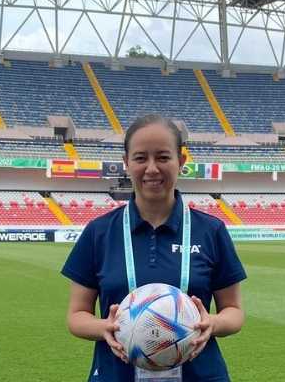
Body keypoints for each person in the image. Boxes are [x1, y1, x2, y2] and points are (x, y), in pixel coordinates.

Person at [62, 114, 247, 381]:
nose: (152, 168)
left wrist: (213, 323)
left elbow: (235, 312)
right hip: (116, 374)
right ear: (126, 163)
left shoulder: (211, 230)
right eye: (140, 158)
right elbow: (76, 316)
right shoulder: (99, 232)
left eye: (162, 157)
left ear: (180, 161)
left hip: (200, 374)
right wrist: (105, 327)